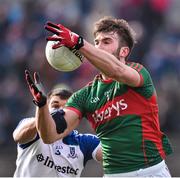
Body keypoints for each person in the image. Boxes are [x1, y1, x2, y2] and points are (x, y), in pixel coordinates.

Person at [26, 16, 172, 177]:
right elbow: (50, 135)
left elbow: (117, 71)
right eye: (96, 42)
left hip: (150, 172)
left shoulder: (138, 72)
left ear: (124, 51)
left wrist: (79, 43)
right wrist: (41, 105)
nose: (98, 46)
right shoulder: (84, 96)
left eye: (106, 42)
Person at [13, 81, 102, 177]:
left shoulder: (84, 142)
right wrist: (42, 108)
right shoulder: (32, 127)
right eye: (55, 106)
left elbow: (113, 152)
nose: (60, 111)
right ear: (46, 108)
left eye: (67, 108)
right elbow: (18, 136)